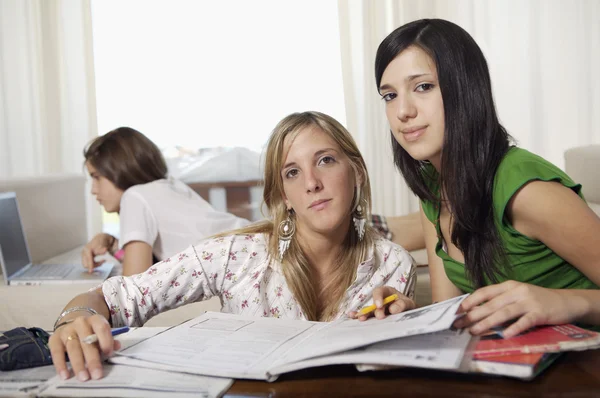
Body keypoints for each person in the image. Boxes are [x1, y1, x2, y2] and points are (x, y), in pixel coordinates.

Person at [49, 111, 417, 381]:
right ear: (284, 195)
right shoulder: (235, 255)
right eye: (292, 172)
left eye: (325, 160)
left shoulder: (393, 265)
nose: (311, 182)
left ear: (357, 171)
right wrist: (74, 318)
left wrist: (403, 329)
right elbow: (116, 297)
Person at [365, 18, 600, 336]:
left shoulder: (527, 191)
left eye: (423, 86)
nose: (402, 111)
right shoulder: (433, 193)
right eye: (389, 95)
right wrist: (409, 312)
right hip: (516, 368)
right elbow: (451, 314)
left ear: (465, 89)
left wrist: (565, 302)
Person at [82, 127, 249, 275]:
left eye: (97, 177)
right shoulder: (170, 186)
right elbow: (149, 270)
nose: (93, 190)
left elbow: (134, 287)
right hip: (254, 246)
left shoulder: (134, 197)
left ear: (121, 169)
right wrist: (112, 243)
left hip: (250, 262)